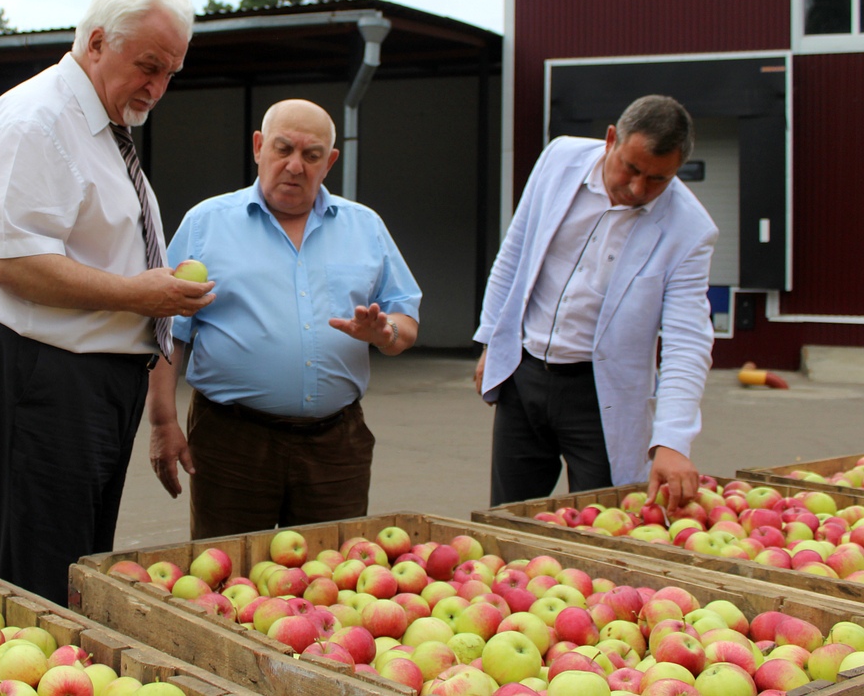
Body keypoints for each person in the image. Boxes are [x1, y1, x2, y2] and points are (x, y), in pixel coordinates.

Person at [0, 0, 214, 605]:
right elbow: (4, 258)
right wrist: (137, 293)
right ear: (97, 42)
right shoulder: (37, 119)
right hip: (43, 374)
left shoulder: (97, 127)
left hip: (86, 380)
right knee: (43, 580)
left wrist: (146, 291)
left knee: (75, 568)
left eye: (171, 73)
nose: (156, 87)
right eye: (148, 66)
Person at [146, 98, 421, 539]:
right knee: (226, 577)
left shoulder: (364, 227)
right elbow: (168, 331)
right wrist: (163, 423)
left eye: (311, 155)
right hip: (232, 441)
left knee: (332, 580)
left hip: (337, 445)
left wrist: (385, 334)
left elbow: (405, 315)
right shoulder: (207, 224)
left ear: (329, 162)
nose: (295, 165)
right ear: (258, 147)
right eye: (283, 149)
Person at [474, 94, 717, 513]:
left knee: (602, 526)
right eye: (632, 168)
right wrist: (492, 343)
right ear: (610, 140)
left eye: (659, 180)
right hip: (524, 374)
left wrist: (672, 441)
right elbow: (515, 252)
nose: (639, 189)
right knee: (506, 519)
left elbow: (687, 341)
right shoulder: (559, 159)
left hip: (600, 398)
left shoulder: (690, 230)